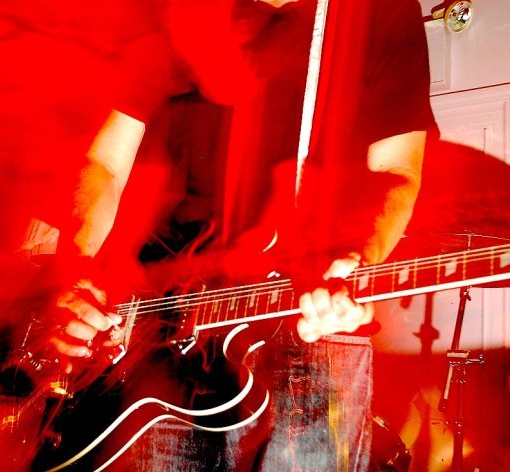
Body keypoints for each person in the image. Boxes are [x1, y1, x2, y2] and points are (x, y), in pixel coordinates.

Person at [26, 0, 438, 470]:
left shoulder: (379, 11)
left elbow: (397, 169)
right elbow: (106, 162)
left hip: (312, 310)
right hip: (165, 319)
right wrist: (76, 268)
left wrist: (357, 256)